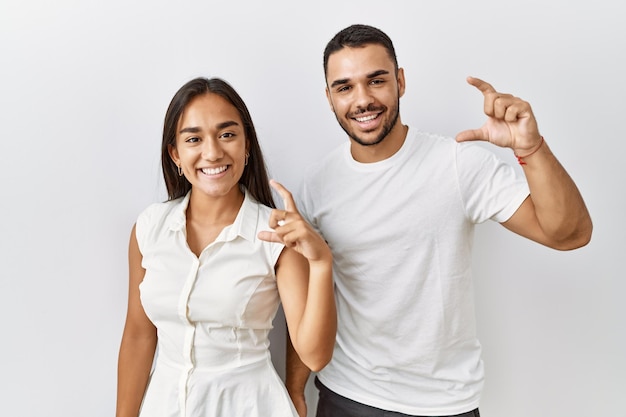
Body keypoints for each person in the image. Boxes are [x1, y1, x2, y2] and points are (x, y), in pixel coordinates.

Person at [286, 24, 592, 417]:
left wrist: (531, 148)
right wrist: (295, 389)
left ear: (400, 81)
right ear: (329, 98)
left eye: (376, 80)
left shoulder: (457, 164)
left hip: (446, 404)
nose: (362, 100)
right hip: (349, 396)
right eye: (344, 87)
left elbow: (570, 234)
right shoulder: (316, 184)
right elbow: (308, 295)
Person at [116, 77, 336, 417]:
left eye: (227, 134)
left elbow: (314, 355)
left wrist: (320, 262)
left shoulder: (276, 234)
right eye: (194, 139)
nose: (213, 152)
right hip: (164, 406)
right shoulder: (149, 228)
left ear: (247, 145)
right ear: (175, 153)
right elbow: (138, 336)